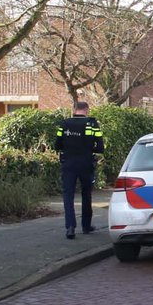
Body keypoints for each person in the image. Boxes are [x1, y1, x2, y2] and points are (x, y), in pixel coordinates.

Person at [54, 100, 104, 239]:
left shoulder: (64, 124)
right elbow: (100, 147)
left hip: (68, 163)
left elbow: (57, 145)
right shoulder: (92, 124)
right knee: (86, 194)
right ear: (86, 110)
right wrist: (89, 149)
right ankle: (86, 226)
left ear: (74, 110)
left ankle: (70, 227)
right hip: (86, 163)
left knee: (68, 194)